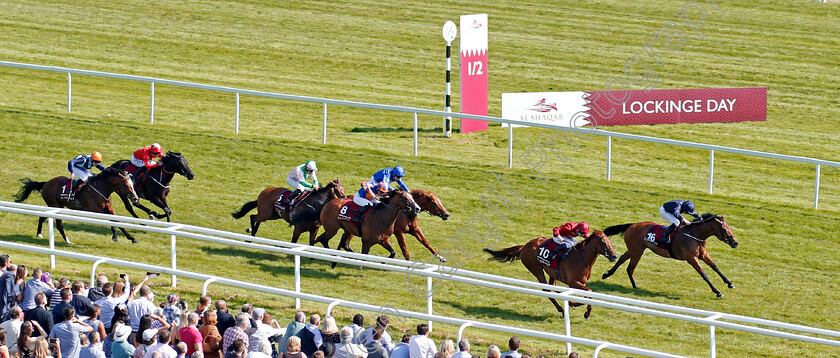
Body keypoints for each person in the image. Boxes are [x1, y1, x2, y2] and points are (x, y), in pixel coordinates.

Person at [0, 255, 22, 321]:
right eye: (10, 261)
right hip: (3, 307)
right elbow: (10, 292)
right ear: (5, 263)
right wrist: (18, 284)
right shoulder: (9, 275)